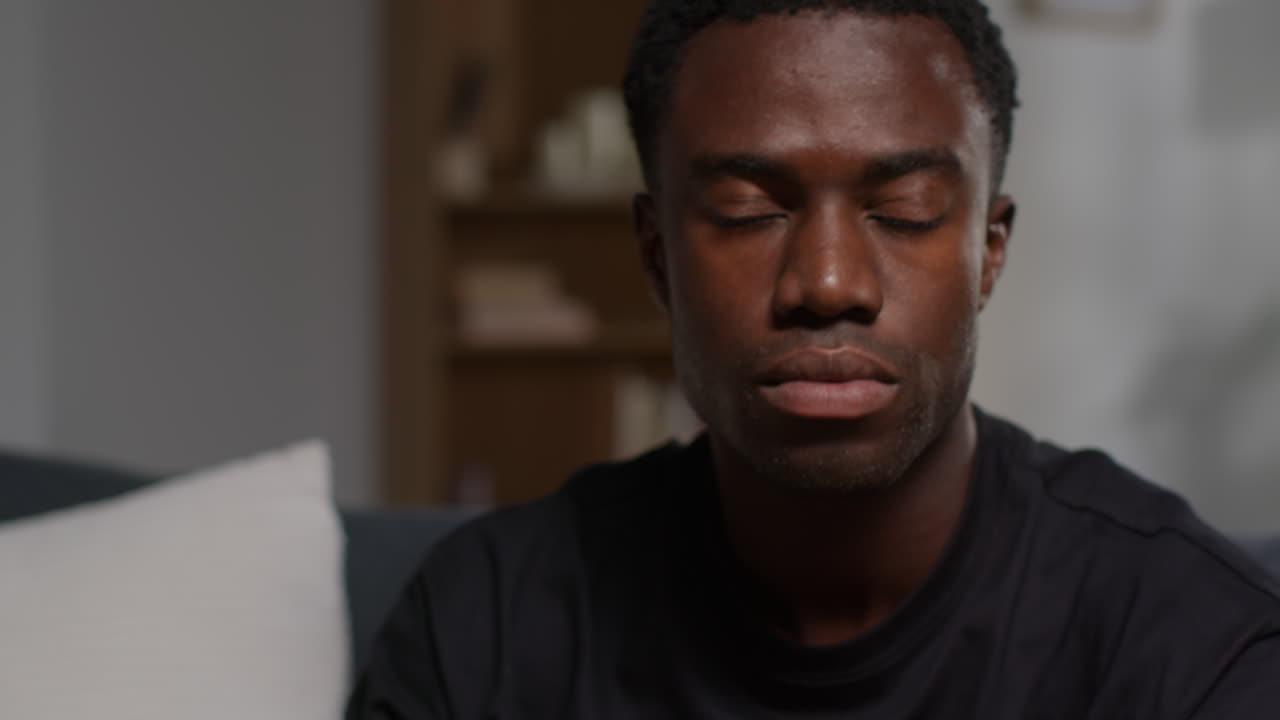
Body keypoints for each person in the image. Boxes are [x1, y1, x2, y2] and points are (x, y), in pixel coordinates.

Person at [348, 1, 1280, 717]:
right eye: (750, 211)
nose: (828, 281)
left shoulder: (1187, 641)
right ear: (657, 255)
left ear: (989, 252)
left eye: (905, 207)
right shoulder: (483, 633)